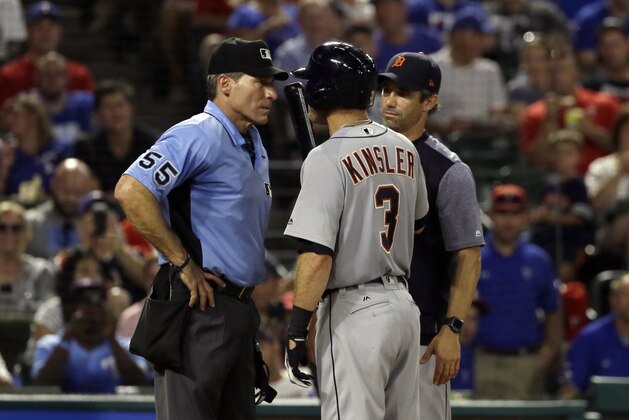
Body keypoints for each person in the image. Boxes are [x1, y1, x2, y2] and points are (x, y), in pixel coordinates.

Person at [114, 37, 287, 419]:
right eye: (260, 82)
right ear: (225, 84)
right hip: (200, 307)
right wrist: (181, 262)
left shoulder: (252, 138)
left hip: (240, 309)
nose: (271, 93)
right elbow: (130, 190)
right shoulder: (198, 133)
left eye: (271, 84)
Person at [283, 41, 429, 419]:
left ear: (323, 90)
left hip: (355, 312)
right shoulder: (404, 147)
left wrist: (297, 327)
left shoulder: (325, 158)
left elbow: (316, 256)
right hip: (403, 310)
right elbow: (418, 224)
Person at [378, 51, 483, 420]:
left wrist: (452, 328)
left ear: (430, 102)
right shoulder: (360, 155)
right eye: (386, 89)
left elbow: (468, 255)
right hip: (363, 329)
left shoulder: (448, 170)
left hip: (422, 336)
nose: (389, 100)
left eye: (403, 93)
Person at [475, 184, 562, 399]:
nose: (508, 221)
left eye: (515, 214)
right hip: (483, 359)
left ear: (525, 216)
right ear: (491, 214)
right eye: (502, 213)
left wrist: (551, 350)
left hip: (528, 361)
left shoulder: (538, 259)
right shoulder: (476, 258)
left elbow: (553, 309)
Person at [31, 279, 149, 393]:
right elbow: (42, 384)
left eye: (98, 307)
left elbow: (141, 382)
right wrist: (67, 338)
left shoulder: (127, 346)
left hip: (112, 411)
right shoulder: (49, 344)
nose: (92, 316)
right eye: (84, 306)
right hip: (64, 411)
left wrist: (112, 341)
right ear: (70, 310)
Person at [0, 1, 95, 107]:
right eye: (39, 27)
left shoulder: (79, 75)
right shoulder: (9, 76)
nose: (45, 33)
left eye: (51, 27)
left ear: (60, 33)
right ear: (28, 32)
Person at [74, 79, 159, 195]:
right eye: (108, 107)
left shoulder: (154, 144)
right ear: (98, 114)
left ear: (132, 108)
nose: (116, 112)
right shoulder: (87, 147)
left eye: (121, 105)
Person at [559, 273, 629, 398]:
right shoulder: (590, 338)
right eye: (626, 295)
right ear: (612, 300)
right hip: (603, 414)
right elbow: (572, 388)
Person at [26, 158, 97, 260]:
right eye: (65, 191)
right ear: (53, 185)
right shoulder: (31, 223)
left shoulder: (95, 224)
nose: (71, 198)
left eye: (77, 193)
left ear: (88, 191)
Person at [0, 200, 55, 312]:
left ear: (26, 233)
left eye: (16, 228)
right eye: (2, 228)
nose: (9, 234)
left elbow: (49, 313)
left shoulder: (41, 271)